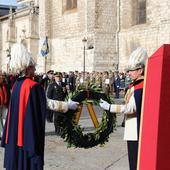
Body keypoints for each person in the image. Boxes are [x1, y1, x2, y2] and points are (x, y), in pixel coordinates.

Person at [1, 43, 78, 170]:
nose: (35, 69)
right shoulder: (32, 86)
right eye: (33, 67)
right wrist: (67, 105)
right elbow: (47, 103)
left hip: (16, 135)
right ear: (27, 68)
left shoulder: (16, 85)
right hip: (27, 134)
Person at [100, 47, 148, 170]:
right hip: (132, 129)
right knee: (132, 161)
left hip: (137, 130)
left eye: (131, 71)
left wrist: (109, 107)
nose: (128, 73)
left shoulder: (140, 86)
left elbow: (130, 108)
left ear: (140, 70)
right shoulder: (135, 85)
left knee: (135, 162)